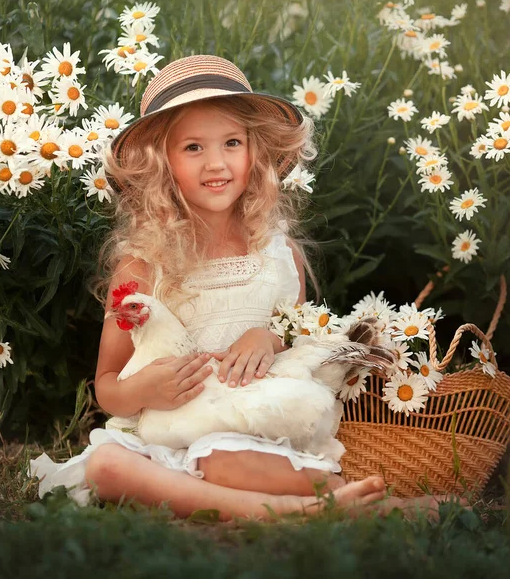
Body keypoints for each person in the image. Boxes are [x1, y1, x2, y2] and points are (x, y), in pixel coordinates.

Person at [28, 55, 442, 521]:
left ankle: (326, 500)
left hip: (253, 438)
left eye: (231, 142)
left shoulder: (278, 253)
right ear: (161, 163)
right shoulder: (143, 266)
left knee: (219, 456)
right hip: (164, 438)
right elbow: (106, 385)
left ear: (255, 152)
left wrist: (267, 337)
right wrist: (144, 388)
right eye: (193, 148)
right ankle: (301, 510)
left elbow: (295, 335)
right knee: (107, 465)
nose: (217, 163)